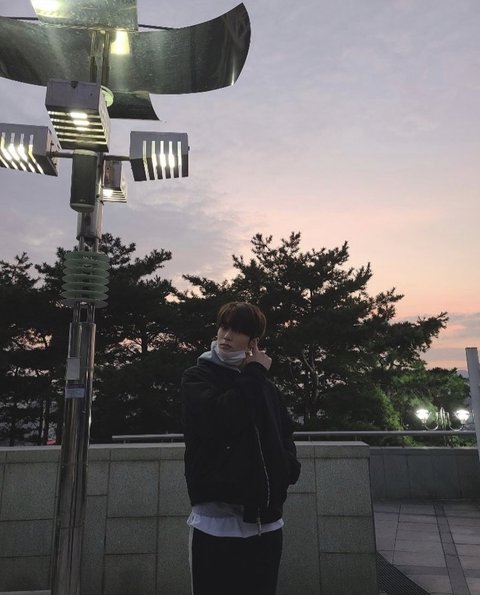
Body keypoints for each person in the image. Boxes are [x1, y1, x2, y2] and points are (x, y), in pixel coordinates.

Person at [182, 301, 301, 595]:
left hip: (266, 524)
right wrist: (255, 373)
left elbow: (284, 432)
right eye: (224, 327)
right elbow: (225, 420)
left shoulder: (264, 386)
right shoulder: (197, 377)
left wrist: (287, 468)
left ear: (253, 341)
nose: (226, 336)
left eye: (237, 330)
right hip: (214, 523)